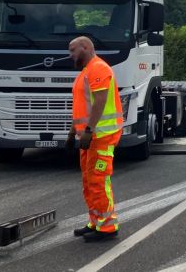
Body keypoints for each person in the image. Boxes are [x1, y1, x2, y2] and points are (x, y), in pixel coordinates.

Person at [65, 36, 122, 242]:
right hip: (89, 137)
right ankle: (96, 221)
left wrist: (88, 130)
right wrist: (73, 132)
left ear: (86, 47)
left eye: (73, 50)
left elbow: (100, 101)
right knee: (89, 182)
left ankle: (107, 227)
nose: (70, 55)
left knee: (98, 180)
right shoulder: (85, 73)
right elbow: (80, 109)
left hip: (101, 136)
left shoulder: (98, 68)